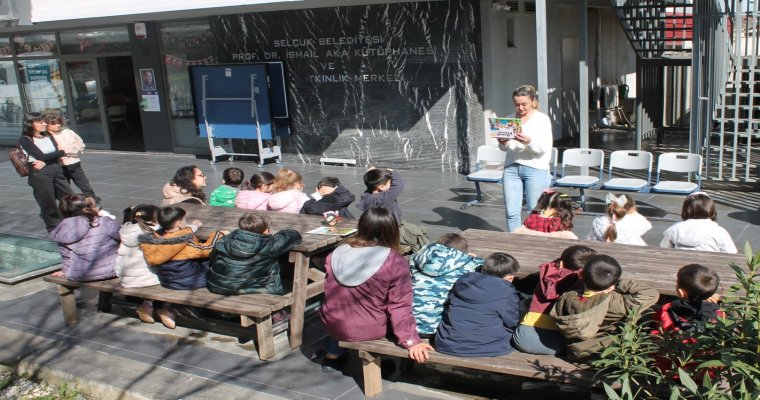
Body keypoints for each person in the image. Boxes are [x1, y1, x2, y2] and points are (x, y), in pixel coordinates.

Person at [319, 207, 433, 371]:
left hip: (332, 322)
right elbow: (399, 305)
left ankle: (332, 355)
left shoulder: (336, 253)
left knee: (346, 313)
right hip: (369, 328)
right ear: (392, 231)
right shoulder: (394, 261)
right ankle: (382, 361)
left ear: (361, 226)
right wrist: (411, 341)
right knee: (388, 314)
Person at [550, 254, 659, 361]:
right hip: (605, 357)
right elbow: (651, 294)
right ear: (612, 285)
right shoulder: (615, 303)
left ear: (580, 274)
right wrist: (618, 283)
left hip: (576, 353)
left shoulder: (567, 298)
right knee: (649, 311)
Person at [139, 206, 225, 328]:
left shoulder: (151, 238)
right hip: (190, 281)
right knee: (216, 263)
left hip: (167, 281)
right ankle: (171, 309)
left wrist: (192, 228)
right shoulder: (185, 240)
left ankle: (161, 307)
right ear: (179, 223)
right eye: (184, 219)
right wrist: (218, 234)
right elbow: (207, 249)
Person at [512, 245, 597, 355]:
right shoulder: (584, 283)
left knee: (524, 302)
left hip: (522, 338)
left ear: (561, 264)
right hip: (555, 345)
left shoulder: (547, 274)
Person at [433, 252, 521, 357]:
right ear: (510, 278)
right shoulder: (507, 294)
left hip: (446, 343)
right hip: (487, 347)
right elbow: (511, 322)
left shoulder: (463, 282)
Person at [497, 85, 554, 232]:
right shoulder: (509, 119)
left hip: (536, 168)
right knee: (511, 212)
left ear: (533, 101)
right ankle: (515, 241)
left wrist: (529, 141)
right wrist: (502, 142)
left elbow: (543, 149)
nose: (520, 108)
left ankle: (533, 241)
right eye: (517, 104)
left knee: (535, 212)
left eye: (524, 104)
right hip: (512, 168)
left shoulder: (542, 119)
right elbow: (505, 148)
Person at [651, 264, 723, 377]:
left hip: (672, 369)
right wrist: (715, 304)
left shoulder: (666, 310)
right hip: (705, 373)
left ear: (681, 292)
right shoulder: (719, 315)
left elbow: (656, 330)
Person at [207, 212, 302, 295]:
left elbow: (212, 259)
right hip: (253, 289)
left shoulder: (225, 239)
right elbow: (294, 235)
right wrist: (274, 236)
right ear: (266, 230)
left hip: (218, 285)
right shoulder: (270, 244)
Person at [410, 233, 483, 336]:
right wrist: (472, 258)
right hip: (438, 327)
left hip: (406, 326)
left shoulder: (416, 258)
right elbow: (488, 268)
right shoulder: (469, 264)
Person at [18, 112, 74, 231]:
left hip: (55, 169)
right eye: (40, 122)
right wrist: (60, 153)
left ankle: (74, 222)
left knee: (69, 198)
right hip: (39, 173)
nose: (44, 124)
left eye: (44, 121)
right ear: (30, 124)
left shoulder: (48, 135)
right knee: (48, 203)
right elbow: (43, 156)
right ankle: (54, 228)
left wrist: (47, 160)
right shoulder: (25, 139)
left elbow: (52, 154)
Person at [48, 194, 120, 282]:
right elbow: (123, 237)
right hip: (113, 269)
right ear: (88, 209)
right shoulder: (104, 222)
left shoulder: (63, 230)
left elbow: (66, 256)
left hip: (81, 274)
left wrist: (65, 271)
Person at [358, 167, 429, 253]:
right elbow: (398, 185)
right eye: (389, 183)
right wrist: (393, 172)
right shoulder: (385, 197)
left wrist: (372, 175)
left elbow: (371, 185)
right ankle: (421, 254)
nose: (391, 184)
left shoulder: (367, 196)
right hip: (392, 230)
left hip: (375, 230)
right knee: (418, 235)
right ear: (381, 187)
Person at [114, 204, 161, 324]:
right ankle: (155, 305)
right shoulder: (152, 233)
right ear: (153, 221)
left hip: (125, 277)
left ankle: (149, 305)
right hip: (146, 279)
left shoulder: (125, 230)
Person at [44, 114, 98, 201]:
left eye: (59, 123)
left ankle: (95, 205)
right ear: (47, 125)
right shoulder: (46, 137)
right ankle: (68, 208)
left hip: (74, 164)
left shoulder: (68, 132)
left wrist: (72, 151)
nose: (57, 125)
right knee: (65, 192)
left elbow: (80, 143)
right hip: (59, 167)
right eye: (53, 123)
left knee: (86, 188)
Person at [660, 192, 737, 253]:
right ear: (711, 209)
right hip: (709, 267)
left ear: (685, 210)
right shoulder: (719, 231)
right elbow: (731, 252)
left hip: (680, 267)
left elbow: (664, 249)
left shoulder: (675, 229)